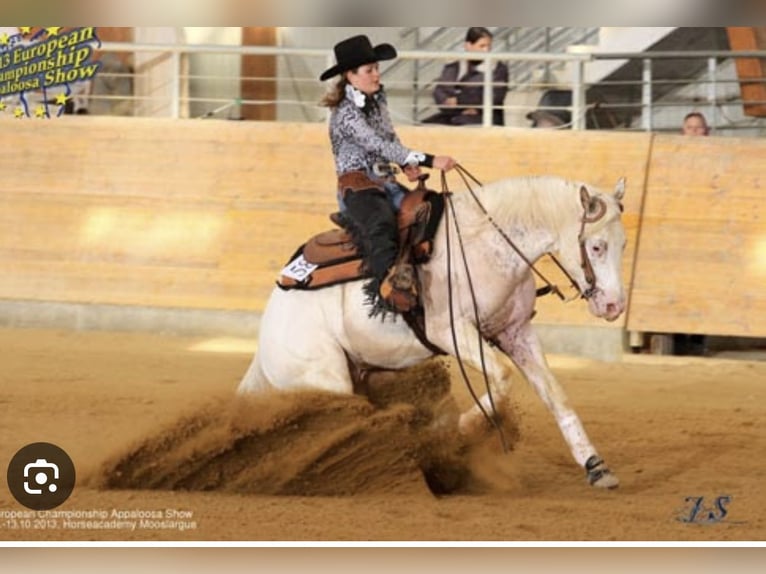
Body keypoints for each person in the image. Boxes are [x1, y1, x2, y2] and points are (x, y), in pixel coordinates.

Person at [320, 34, 457, 315]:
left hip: (387, 183)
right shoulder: (345, 114)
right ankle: (390, 292)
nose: (376, 74)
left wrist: (406, 164)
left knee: (432, 204)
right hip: (358, 188)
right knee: (381, 223)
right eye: (369, 70)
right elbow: (375, 144)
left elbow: (389, 139)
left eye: (376, 68)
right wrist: (429, 159)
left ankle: (420, 269)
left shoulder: (377, 101)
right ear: (351, 75)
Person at [423, 27, 509, 126]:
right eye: (482, 46)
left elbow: (495, 95)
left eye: (489, 46)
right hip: (453, 114)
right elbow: (440, 91)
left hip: (485, 117)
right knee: (425, 126)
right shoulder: (455, 65)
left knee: (461, 124)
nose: (486, 50)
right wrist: (456, 107)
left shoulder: (497, 68)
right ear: (468, 46)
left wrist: (461, 101)